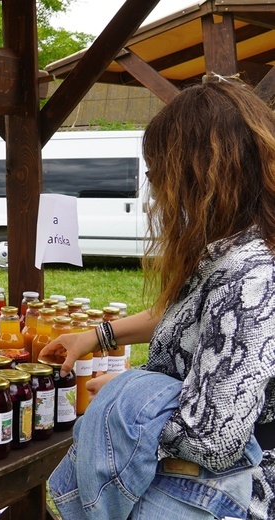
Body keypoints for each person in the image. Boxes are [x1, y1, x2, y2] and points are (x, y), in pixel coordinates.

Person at [41, 76, 275, 519]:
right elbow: (190, 313)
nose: (156, 197)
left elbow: (214, 437)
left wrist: (130, 399)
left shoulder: (255, 277)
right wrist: (97, 335)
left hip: (228, 497)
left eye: (158, 177)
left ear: (197, 175)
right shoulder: (234, 248)